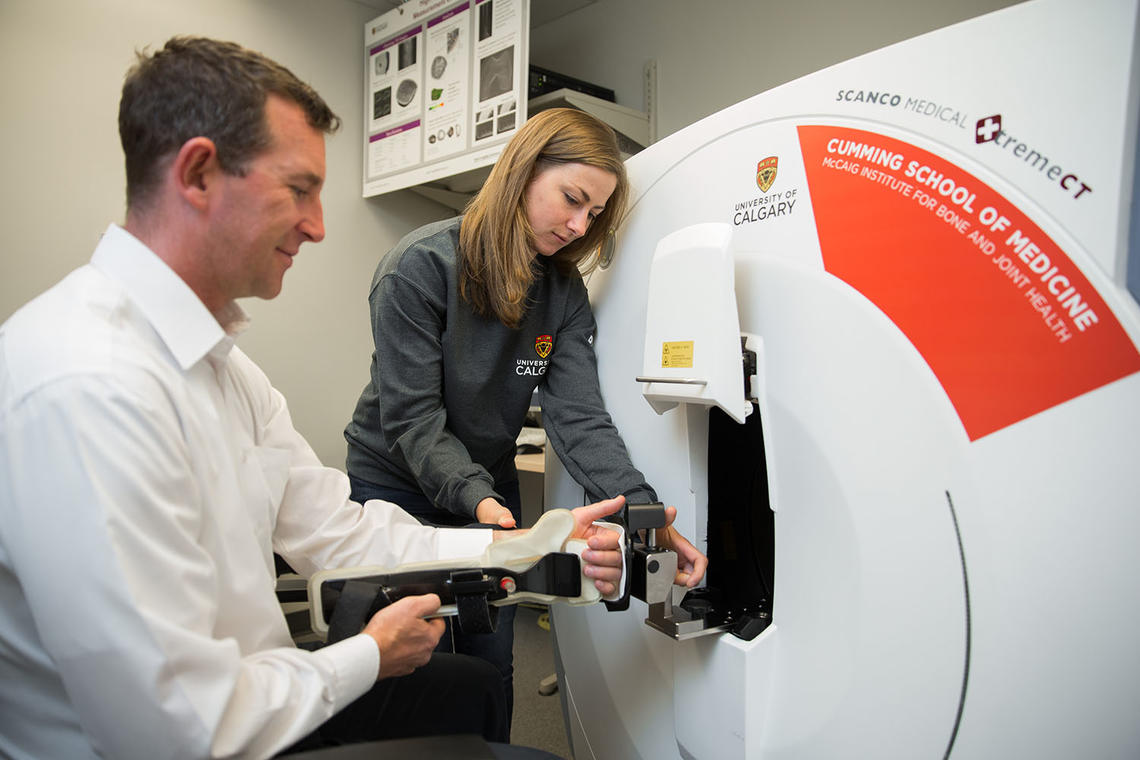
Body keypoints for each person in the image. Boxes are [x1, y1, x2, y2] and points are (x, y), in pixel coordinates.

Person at [0, 37, 626, 760]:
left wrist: (519, 546)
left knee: (472, 690)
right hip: (199, 739)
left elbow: (339, 531)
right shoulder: (89, 387)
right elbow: (175, 731)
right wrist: (365, 655)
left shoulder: (226, 373)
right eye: (299, 189)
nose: (319, 225)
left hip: (258, 698)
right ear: (199, 173)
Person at [343, 108, 709, 718]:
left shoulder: (562, 296)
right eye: (571, 198)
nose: (576, 224)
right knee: (409, 662)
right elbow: (414, 423)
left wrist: (645, 513)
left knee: (490, 660)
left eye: (592, 214)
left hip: (489, 483)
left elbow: (580, 419)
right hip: (395, 484)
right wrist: (489, 514)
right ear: (522, 171)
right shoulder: (419, 268)